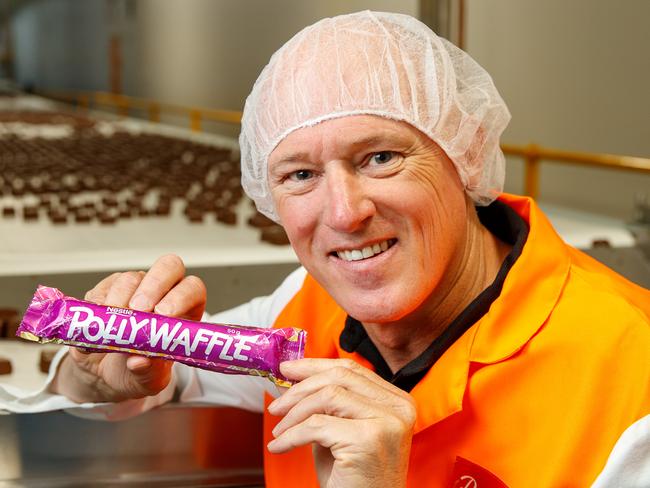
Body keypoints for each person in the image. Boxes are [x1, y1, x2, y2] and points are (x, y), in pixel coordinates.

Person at [4, 11, 649, 487]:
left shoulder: (630, 383)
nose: (345, 213)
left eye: (381, 156)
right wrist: (96, 377)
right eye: (300, 175)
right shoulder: (299, 315)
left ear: (467, 152)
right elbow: (152, 388)